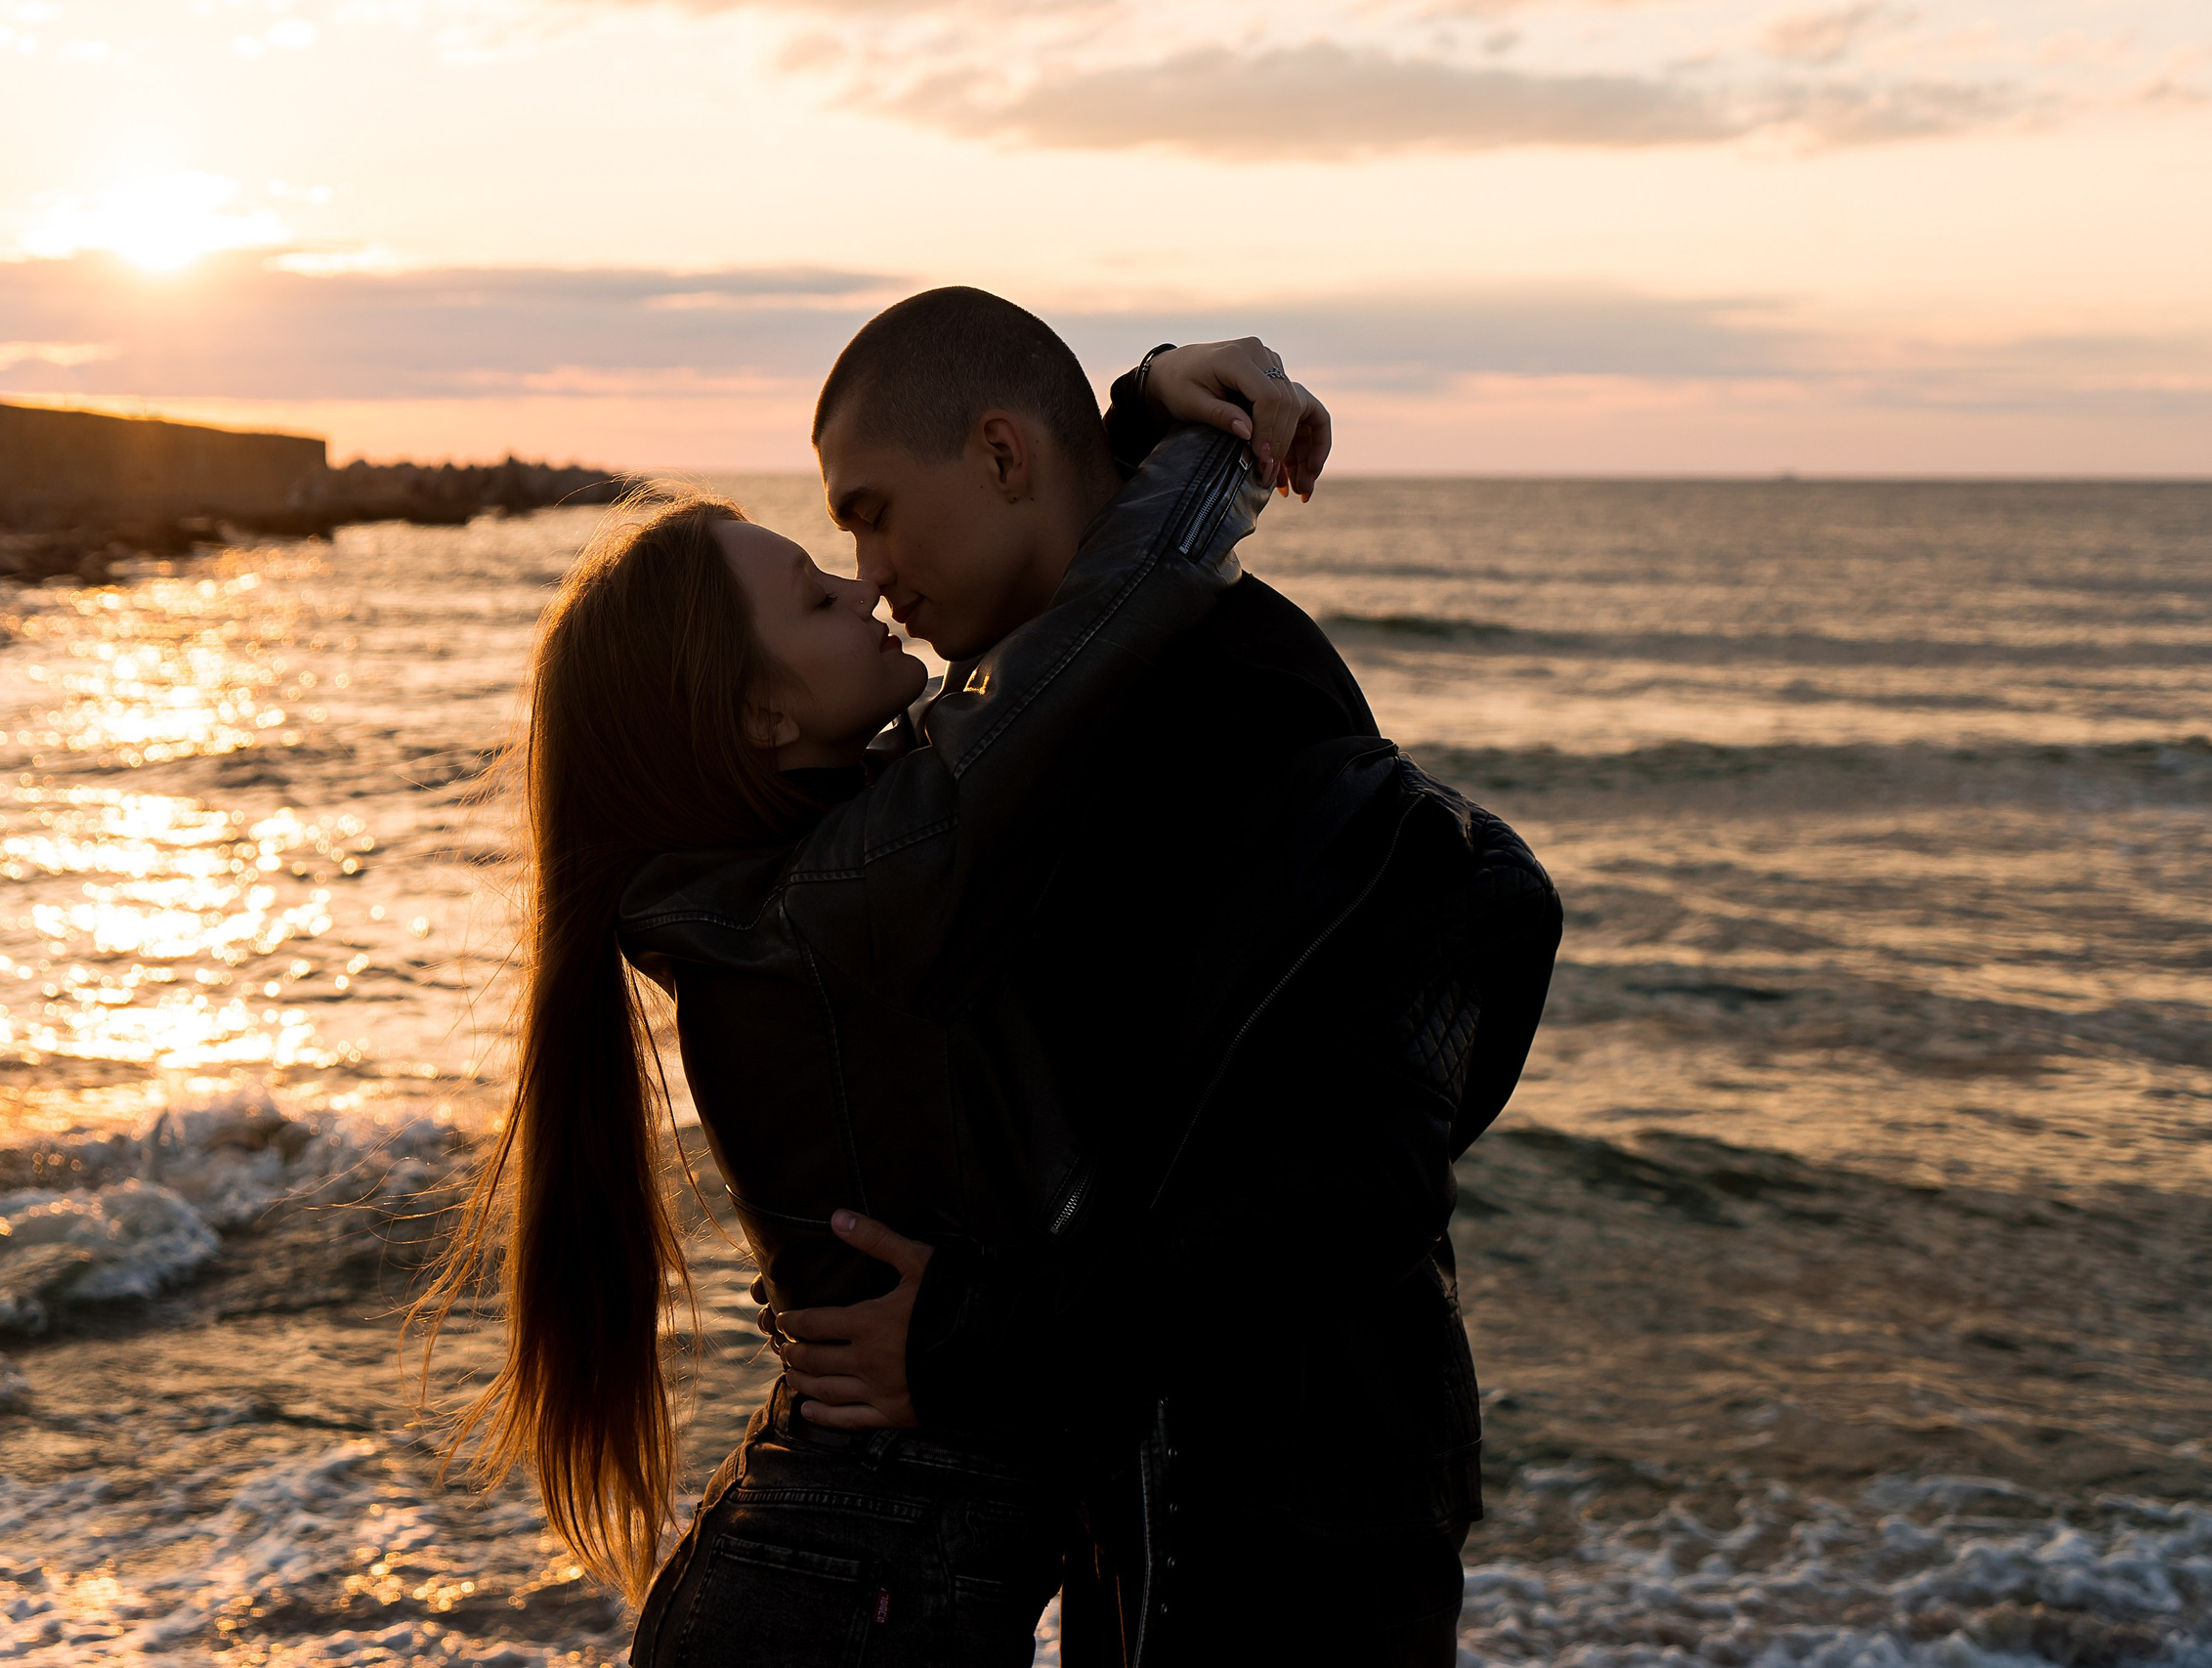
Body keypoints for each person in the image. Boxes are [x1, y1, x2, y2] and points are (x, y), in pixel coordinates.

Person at [417, 321, 1330, 1665]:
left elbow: (1047, 624)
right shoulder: (847, 897)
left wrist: (1121, 421)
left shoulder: (812, 890)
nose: (864, 588)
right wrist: (1204, 447)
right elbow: (1095, 633)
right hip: (843, 1601)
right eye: (814, 596)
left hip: (840, 1571)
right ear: (761, 717)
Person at [766, 288, 1564, 1665]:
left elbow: (1359, 1184)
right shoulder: (1056, 714)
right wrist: (1141, 414)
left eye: (875, 512)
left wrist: (974, 1341)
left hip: (1298, 1537)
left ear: (1003, 454)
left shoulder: (1226, 708)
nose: (873, 571)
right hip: (1179, 1495)